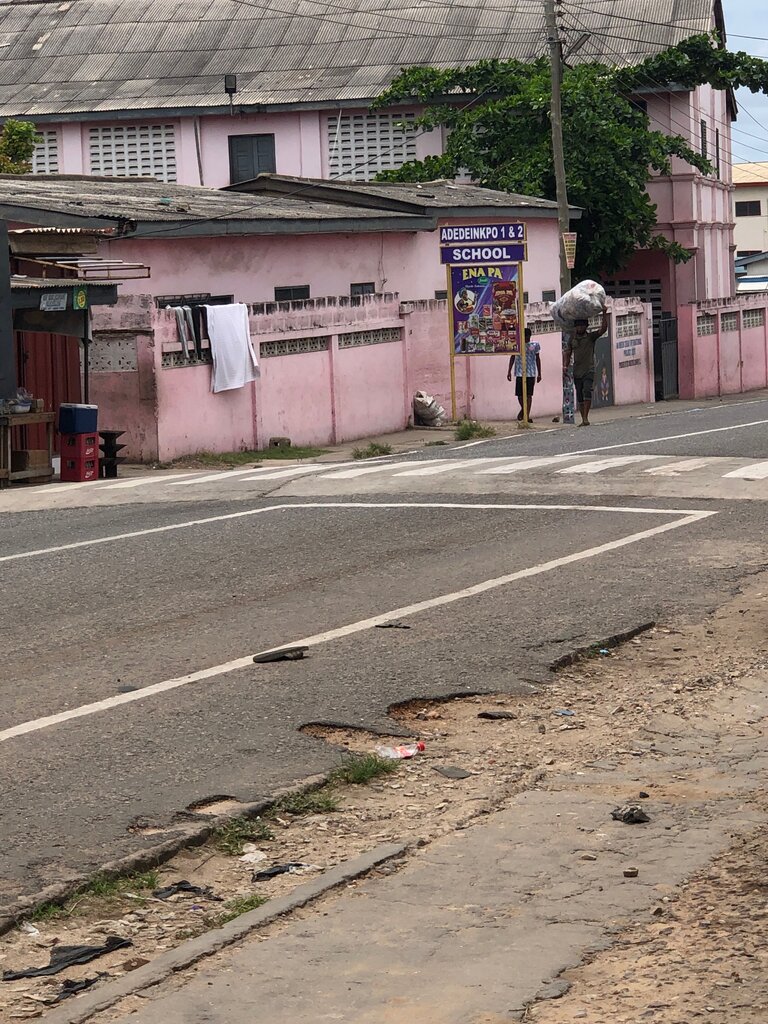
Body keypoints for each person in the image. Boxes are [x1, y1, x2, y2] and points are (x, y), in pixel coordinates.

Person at [563, 310, 609, 427]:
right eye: (578, 326)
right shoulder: (572, 340)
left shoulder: (590, 337)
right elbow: (568, 353)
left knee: (587, 391)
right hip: (577, 371)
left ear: (586, 327)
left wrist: (604, 314)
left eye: (582, 326)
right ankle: (583, 418)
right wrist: (565, 366)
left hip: (589, 369)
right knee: (579, 395)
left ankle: (585, 418)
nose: (580, 328)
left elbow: (603, 329)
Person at [507, 327, 542, 422]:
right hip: (519, 372)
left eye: (528, 336)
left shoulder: (535, 345)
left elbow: (538, 359)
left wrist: (539, 373)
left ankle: (526, 415)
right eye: (525, 336)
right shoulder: (517, 345)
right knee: (520, 395)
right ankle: (524, 410)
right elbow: (512, 357)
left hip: (530, 373)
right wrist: (509, 371)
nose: (526, 338)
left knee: (529, 395)